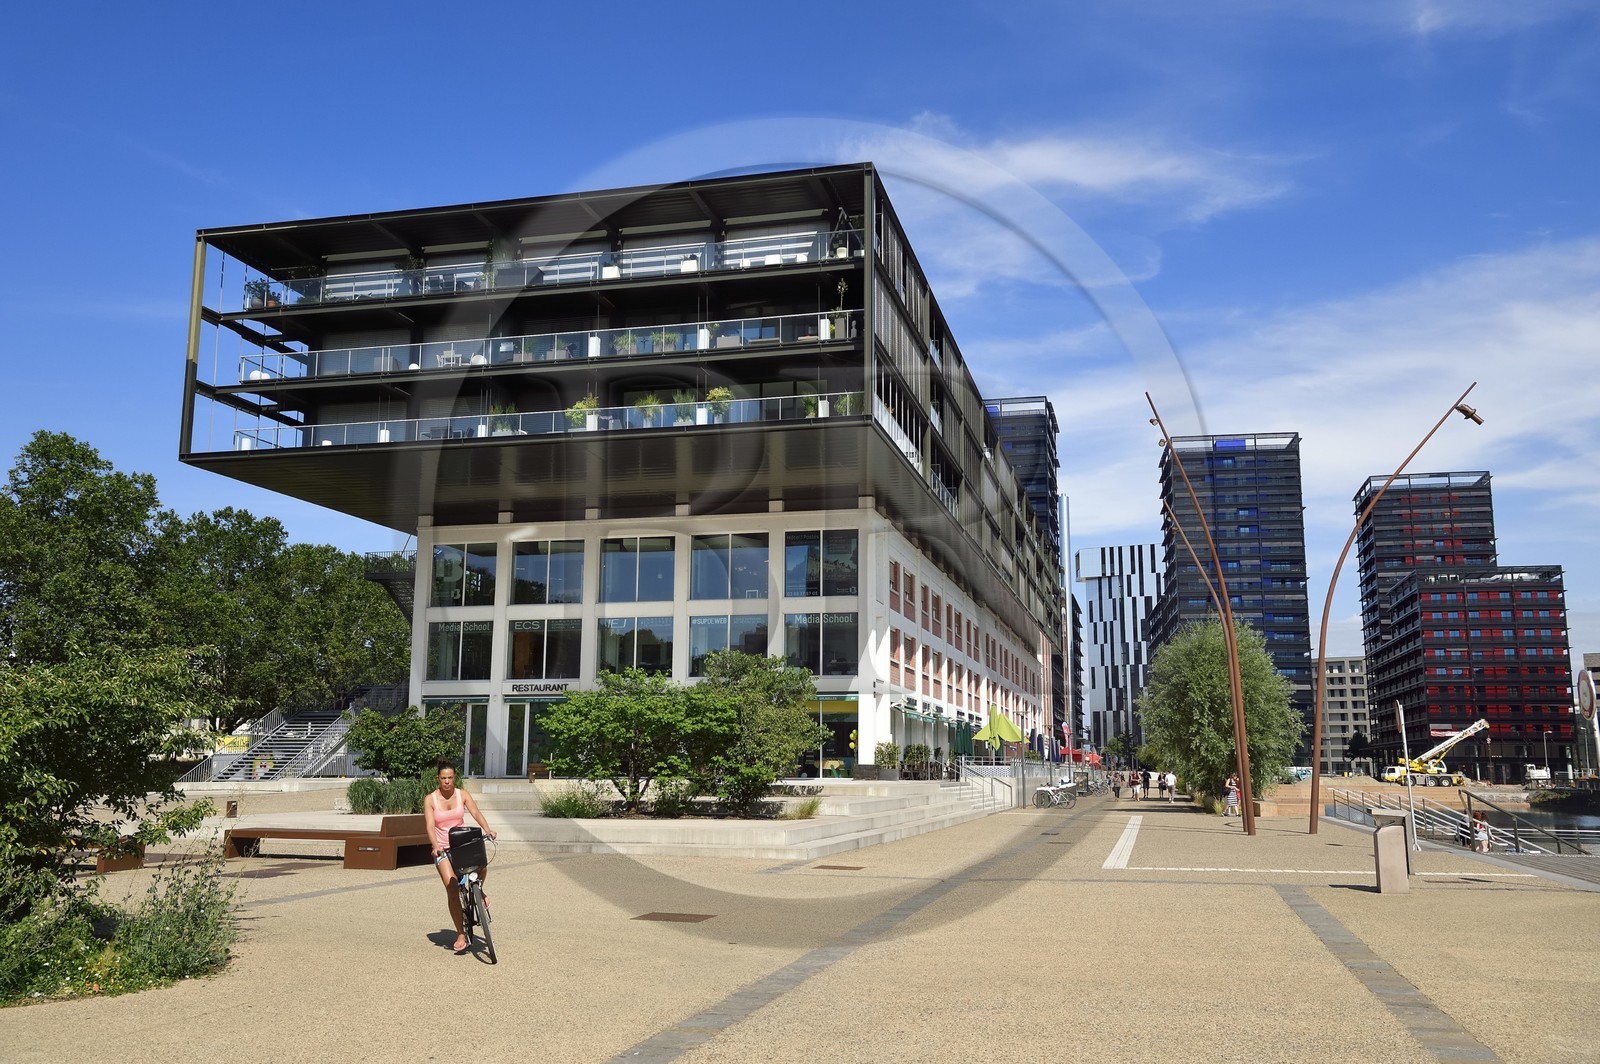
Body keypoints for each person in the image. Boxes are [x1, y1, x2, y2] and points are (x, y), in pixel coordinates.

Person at [425, 758, 497, 955]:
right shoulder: (430, 799)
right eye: (443, 778)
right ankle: (460, 933)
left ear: (454, 777)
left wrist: (488, 830)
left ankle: (479, 891)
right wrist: (435, 846)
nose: (447, 781)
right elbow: (430, 826)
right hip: (443, 848)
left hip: (462, 844)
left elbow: (475, 812)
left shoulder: (462, 795)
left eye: (450, 777)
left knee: (482, 864)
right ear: (438, 779)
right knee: (451, 885)